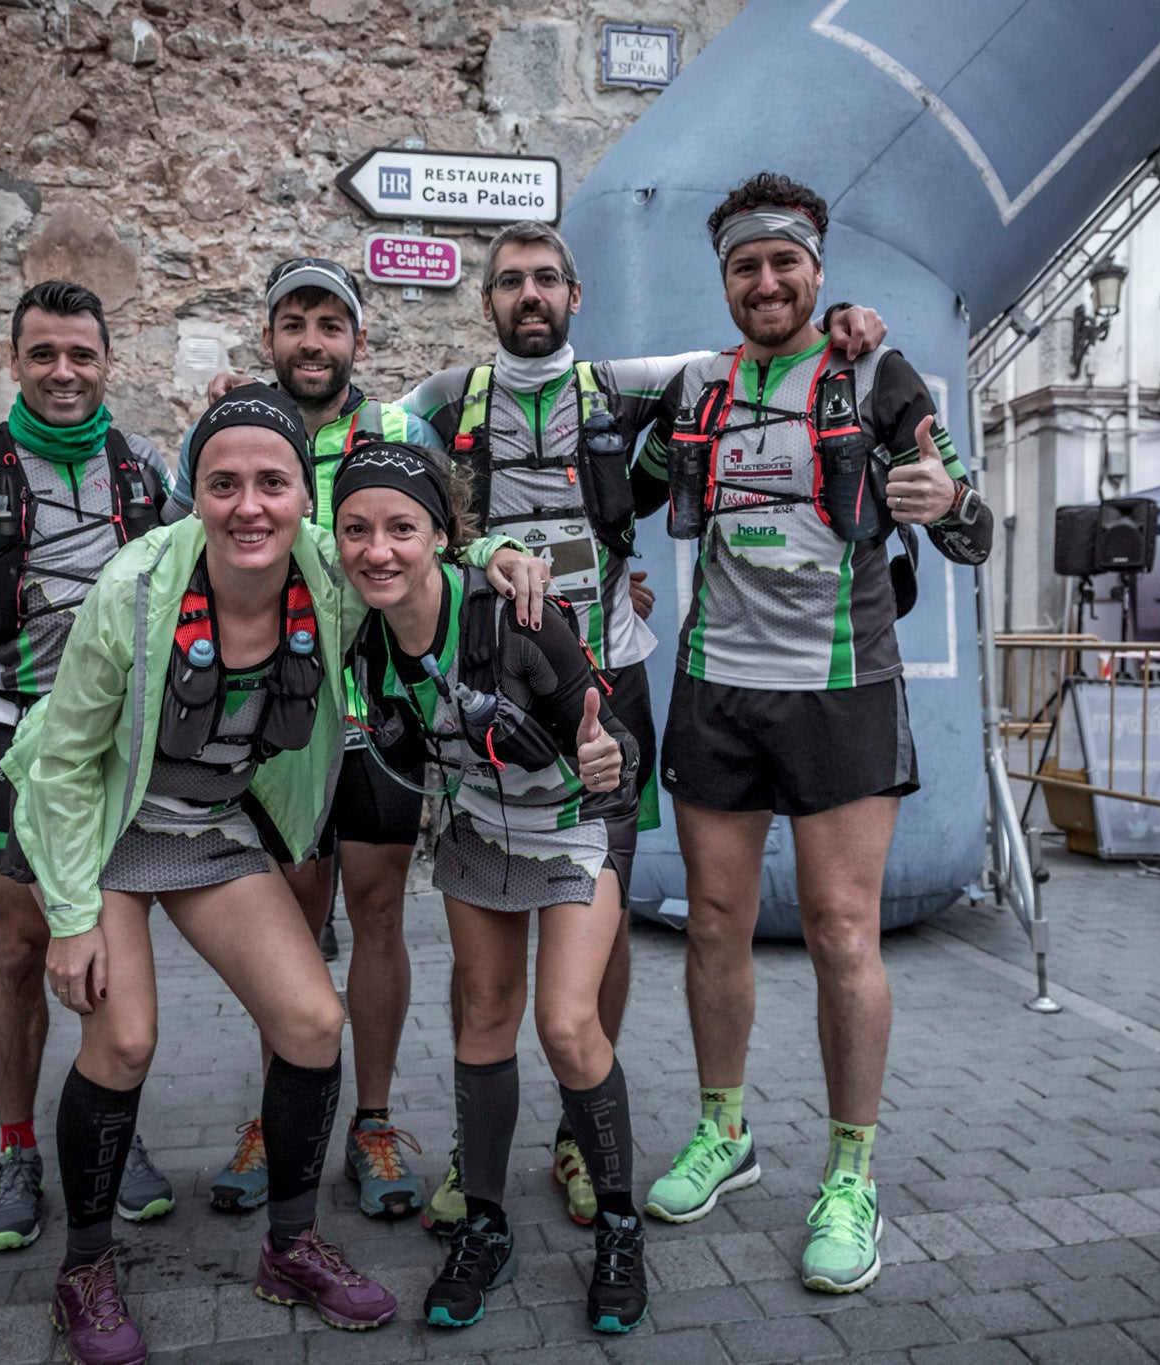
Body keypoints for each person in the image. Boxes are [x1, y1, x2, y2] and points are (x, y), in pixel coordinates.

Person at [0, 386, 547, 1362]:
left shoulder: (330, 579)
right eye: (223, 484)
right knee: (123, 1041)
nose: (248, 505)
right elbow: (59, 764)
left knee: (309, 1022)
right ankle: (83, 1269)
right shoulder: (136, 589)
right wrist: (74, 916)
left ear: (305, 495)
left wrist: (493, 558)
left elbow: (408, 552)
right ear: (194, 496)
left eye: (271, 482)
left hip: (209, 830)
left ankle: (289, 1247)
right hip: (106, 827)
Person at [394, 221, 887, 1234]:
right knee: (480, 935)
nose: (527, 296)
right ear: (484, 302)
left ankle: (582, 1138)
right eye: (508, 283)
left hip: (608, 679)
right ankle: (472, 1141)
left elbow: (760, 346)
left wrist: (850, 329)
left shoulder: (629, 384)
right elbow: (354, 449)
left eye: (545, 280)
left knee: (598, 910)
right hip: (482, 686)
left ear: (575, 295)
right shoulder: (444, 401)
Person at [635, 173, 993, 1296]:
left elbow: (971, 529)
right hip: (713, 688)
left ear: (818, 268)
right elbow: (609, 485)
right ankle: (724, 1132)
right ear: (725, 280)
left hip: (842, 691)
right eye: (744, 265)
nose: (765, 281)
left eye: (783, 261)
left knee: (843, 934)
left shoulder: (878, 374)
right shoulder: (695, 386)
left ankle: (850, 1173)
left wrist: (949, 507)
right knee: (711, 925)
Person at [330, 441, 649, 1333]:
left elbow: (612, 741)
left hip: (575, 827)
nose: (378, 549)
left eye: (402, 528)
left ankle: (620, 1229)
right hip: (480, 834)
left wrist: (602, 753)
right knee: (483, 1016)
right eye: (358, 530)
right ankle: (486, 1225)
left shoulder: (516, 616)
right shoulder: (363, 633)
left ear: (441, 536)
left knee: (566, 1023)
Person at [0, 280, 176, 1253]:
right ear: (15, 360)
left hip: (128, 753)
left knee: (113, 952)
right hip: (15, 742)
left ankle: (109, 1131)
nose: (63, 372)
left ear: (107, 363)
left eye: (80, 356)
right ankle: (17, 1148)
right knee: (19, 954)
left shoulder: (147, 468)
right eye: (43, 354)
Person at [174, 258, 444, 1224]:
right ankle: (274, 1115)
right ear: (270, 337)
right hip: (276, 720)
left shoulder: (403, 431)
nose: (314, 341)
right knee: (284, 925)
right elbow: (180, 547)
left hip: (381, 717)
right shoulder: (235, 429)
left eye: (332, 323)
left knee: (376, 916)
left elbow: (448, 534)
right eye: (296, 322)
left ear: (358, 341)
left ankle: (370, 1121)